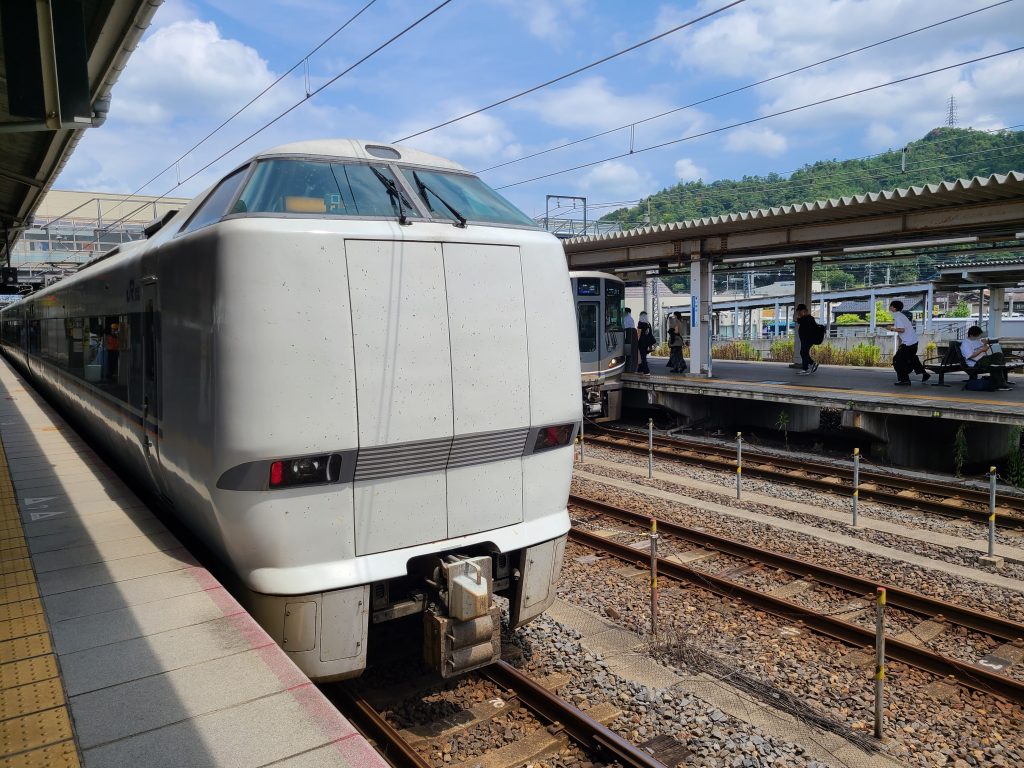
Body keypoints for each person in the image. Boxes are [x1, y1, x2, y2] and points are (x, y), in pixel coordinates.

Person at [889, 300, 928, 386]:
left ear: (894, 308)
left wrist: (891, 328)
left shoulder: (898, 317)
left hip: (909, 343)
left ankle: (904, 380)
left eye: (890, 306)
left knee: (898, 360)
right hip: (913, 342)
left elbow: (902, 330)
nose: (889, 307)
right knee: (912, 358)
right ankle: (924, 374)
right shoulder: (901, 315)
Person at [961, 326, 1011, 390]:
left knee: (999, 355)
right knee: (996, 365)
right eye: (977, 336)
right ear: (971, 335)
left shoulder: (977, 340)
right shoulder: (966, 343)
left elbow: (985, 348)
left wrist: (985, 344)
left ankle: (998, 382)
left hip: (984, 359)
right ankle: (999, 383)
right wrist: (981, 350)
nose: (978, 337)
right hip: (976, 362)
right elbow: (970, 356)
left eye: (979, 335)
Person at [795, 304, 819, 375]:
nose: (799, 313)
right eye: (798, 312)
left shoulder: (808, 318)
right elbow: (797, 320)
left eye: (800, 312)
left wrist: (799, 318)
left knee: (804, 352)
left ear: (804, 311)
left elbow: (797, 319)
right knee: (803, 352)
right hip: (805, 339)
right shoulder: (805, 318)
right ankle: (813, 363)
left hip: (808, 339)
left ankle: (805, 369)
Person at [637, 311, 654, 375]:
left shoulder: (640, 323)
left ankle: (646, 371)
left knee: (642, 356)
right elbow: (650, 334)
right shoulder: (648, 324)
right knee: (643, 356)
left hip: (641, 341)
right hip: (647, 341)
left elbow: (639, 333)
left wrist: (637, 341)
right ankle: (640, 369)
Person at [623, 307, 638, 373]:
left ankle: (628, 368)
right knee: (630, 354)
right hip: (632, 337)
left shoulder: (626, 318)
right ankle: (630, 368)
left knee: (628, 354)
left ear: (626, 312)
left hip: (628, 337)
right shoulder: (631, 318)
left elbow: (624, 328)